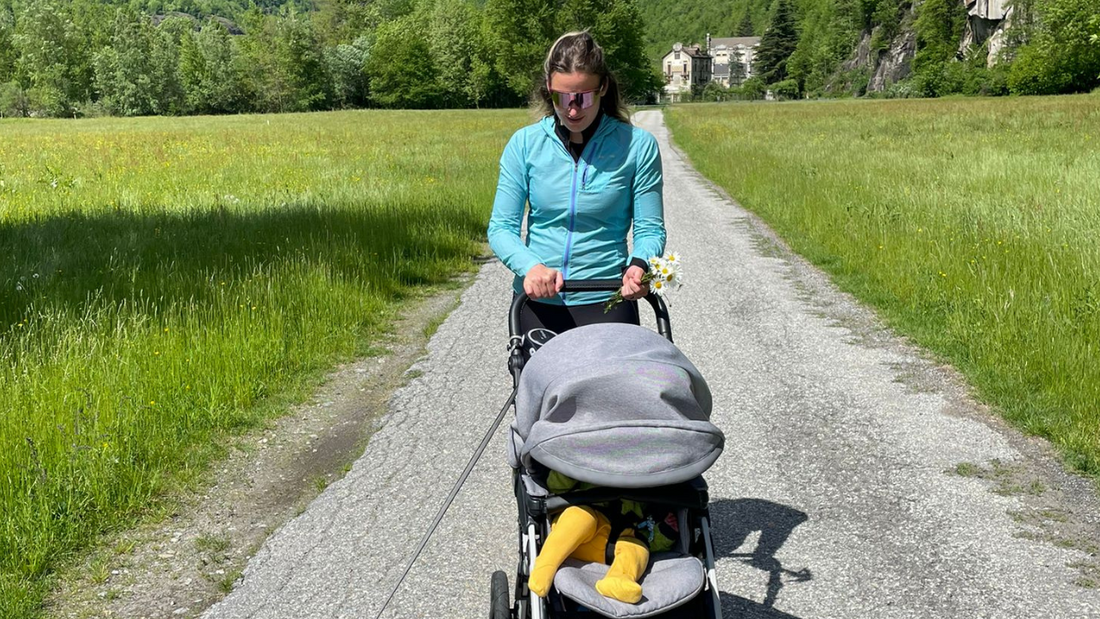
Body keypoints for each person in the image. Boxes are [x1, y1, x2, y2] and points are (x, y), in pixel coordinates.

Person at [487, 30, 665, 346]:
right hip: (538, 301)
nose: (572, 110)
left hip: (608, 299)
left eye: (583, 98)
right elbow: (501, 228)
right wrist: (531, 267)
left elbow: (650, 230)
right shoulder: (524, 144)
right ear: (548, 88)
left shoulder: (637, 147)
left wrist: (640, 265)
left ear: (603, 87)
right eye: (562, 98)